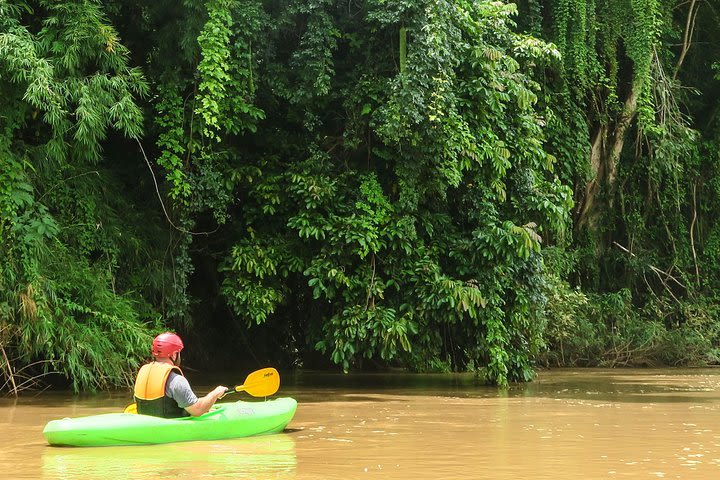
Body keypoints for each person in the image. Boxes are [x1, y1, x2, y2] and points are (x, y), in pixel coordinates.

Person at [133, 332, 228, 418]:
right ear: (174, 354)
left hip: (146, 422)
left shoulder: (143, 372)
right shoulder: (176, 380)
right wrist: (215, 393)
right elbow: (197, 410)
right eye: (179, 353)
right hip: (167, 427)